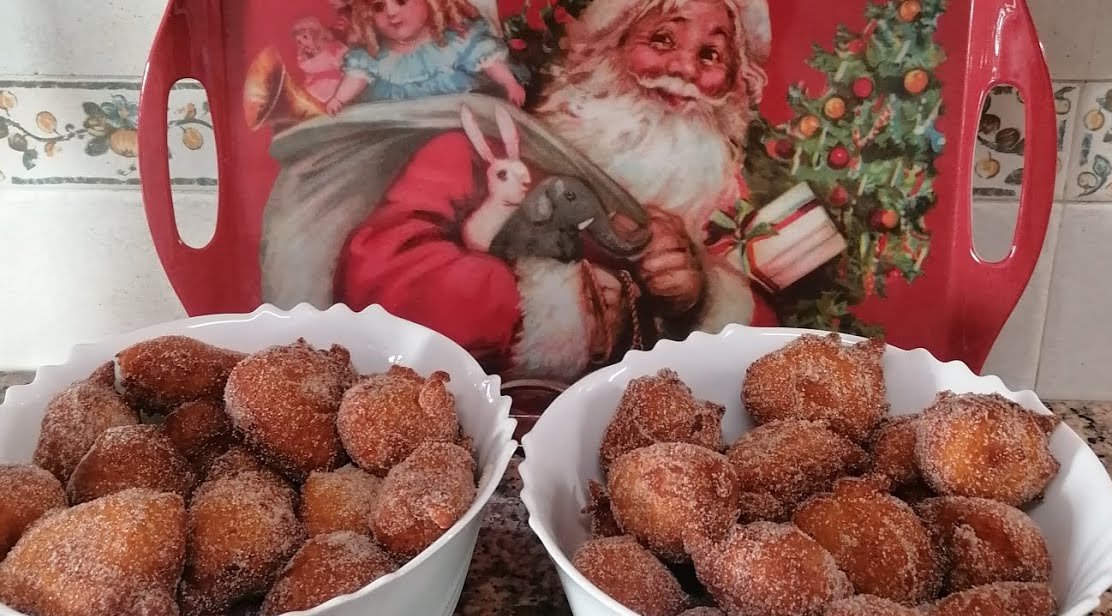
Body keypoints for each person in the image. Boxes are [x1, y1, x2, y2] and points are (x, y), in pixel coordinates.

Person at [329, 0, 779, 382]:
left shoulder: (703, 216)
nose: (684, 69)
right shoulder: (488, 147)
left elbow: (765, 351)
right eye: (662, 40)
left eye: (711, 54)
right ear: (610, 45)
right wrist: (554, 309)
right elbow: (380, 279)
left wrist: (697, 300)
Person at [324, 0, 527, 113]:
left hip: (455, 118)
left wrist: (509, 83)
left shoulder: (453, 41)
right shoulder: (374, 55)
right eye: (379, 7)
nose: (391, 12)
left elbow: (488, 60)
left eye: (401, 1)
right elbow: (357, 78)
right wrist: (339, 99)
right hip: (401, 127)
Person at [291, 16, 350, 106]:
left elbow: (346, 60)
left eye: (305, 37)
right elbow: (305, 67)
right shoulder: (304, 55)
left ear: (316, 35)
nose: (302, 43)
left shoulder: (332, 47)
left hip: (334, 86)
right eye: (298, 41)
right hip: (314, 89)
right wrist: (305, 58)